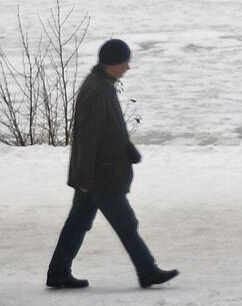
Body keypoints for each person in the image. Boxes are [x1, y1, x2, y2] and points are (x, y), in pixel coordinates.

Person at [46, 39, 180, 290]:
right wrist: (84, 178)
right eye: (124, 62)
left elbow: (110, 128)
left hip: (99, 174)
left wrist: (128, 149)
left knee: (77, 224)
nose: (127, 67)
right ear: (111, 63)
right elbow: (87, 138)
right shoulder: (96, 91)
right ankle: (147, 271)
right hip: (100, 176)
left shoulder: (103, 86)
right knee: (126, 224)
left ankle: (58, 273)